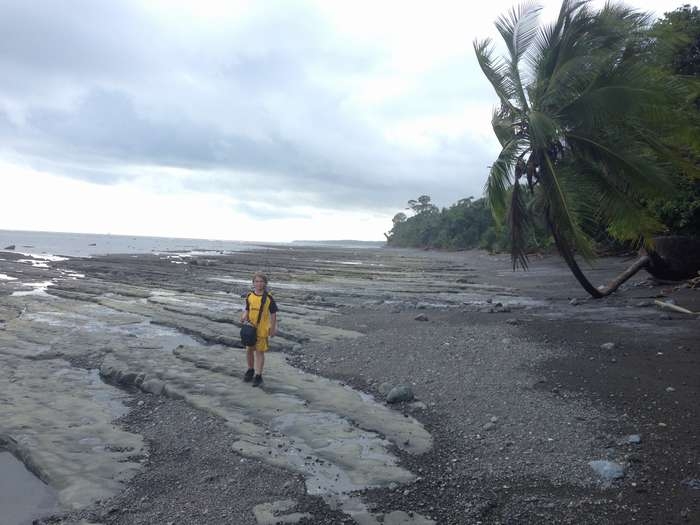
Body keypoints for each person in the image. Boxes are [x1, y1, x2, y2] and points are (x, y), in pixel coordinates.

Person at [240, 271, 278, 387]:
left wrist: (272, 328)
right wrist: (244, 316)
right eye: (256, 281)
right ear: (253, 283)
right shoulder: (250, 296)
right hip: (250, 327)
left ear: (265, 283)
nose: (259, 284)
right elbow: (247, 308)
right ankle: (250, 370)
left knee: (260, 352)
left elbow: (273, 314)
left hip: (262, 328)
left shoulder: (269, 298)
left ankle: (258, 375)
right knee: (249, 350)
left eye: (261, 281)